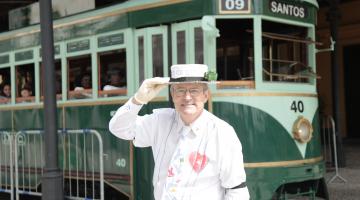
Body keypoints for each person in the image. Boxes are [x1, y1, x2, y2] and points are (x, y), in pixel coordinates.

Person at [109, 64, 249, 200]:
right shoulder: (159, 122)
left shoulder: (222, 133)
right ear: (172, 95)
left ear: (206, 95)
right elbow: (119, 129)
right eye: (180, 90)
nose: (187, 97)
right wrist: (138, 100)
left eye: (194, 90)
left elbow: (236, 190)